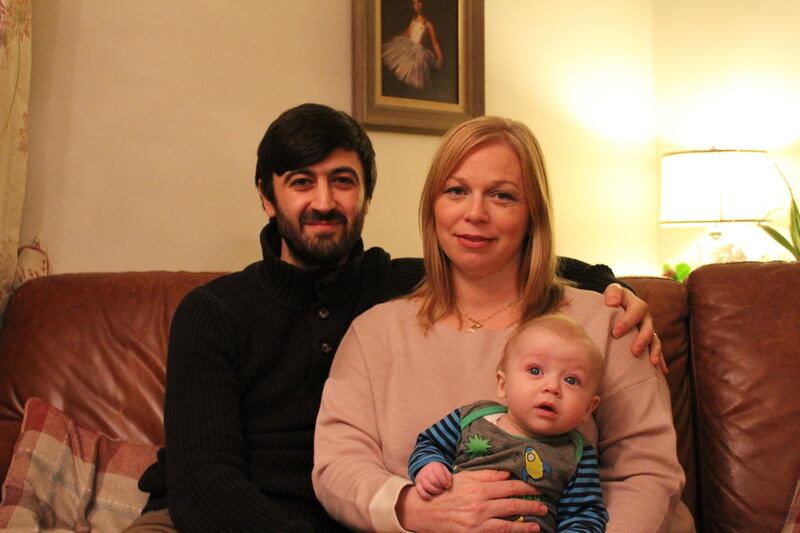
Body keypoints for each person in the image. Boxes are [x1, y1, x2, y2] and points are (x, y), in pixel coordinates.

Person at [125, 103, 663, 532]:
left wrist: (616, 288)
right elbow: (205, 486)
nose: (324, 201)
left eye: (342, 180)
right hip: (210, 516)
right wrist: (409, 509)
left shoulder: (387, 281)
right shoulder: (217, 312)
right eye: (300, 182)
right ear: (267, 196)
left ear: (366, 197)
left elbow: (504, 256)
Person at [312, 115, 694, 532]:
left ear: (533, 214)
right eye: (456, 191)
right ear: (433, 208)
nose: (475, 213)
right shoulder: (375, 332)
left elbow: (646, 472)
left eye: (502, 196)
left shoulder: (607, 324)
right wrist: (416, 510)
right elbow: (338, 464)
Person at [408, 314, 608, 532]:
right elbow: (429, 444)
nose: (552, 387)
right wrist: (429, 467)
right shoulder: (472, 418)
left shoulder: (577, 453)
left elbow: (585, 513)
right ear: (503, 384)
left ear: (588, 407)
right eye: (535, 371)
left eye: (571, 380)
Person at [382, 0, 443, 89]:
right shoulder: (414, 18)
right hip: (408, 47)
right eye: (414, 3)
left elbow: (435, 42)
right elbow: (408, 33)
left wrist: (440, 57)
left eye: (419, 2)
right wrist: (396, 38)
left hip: (418, 53)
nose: (416, 5)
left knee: (414, 77)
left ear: (424, 4)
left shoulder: (428, 24)